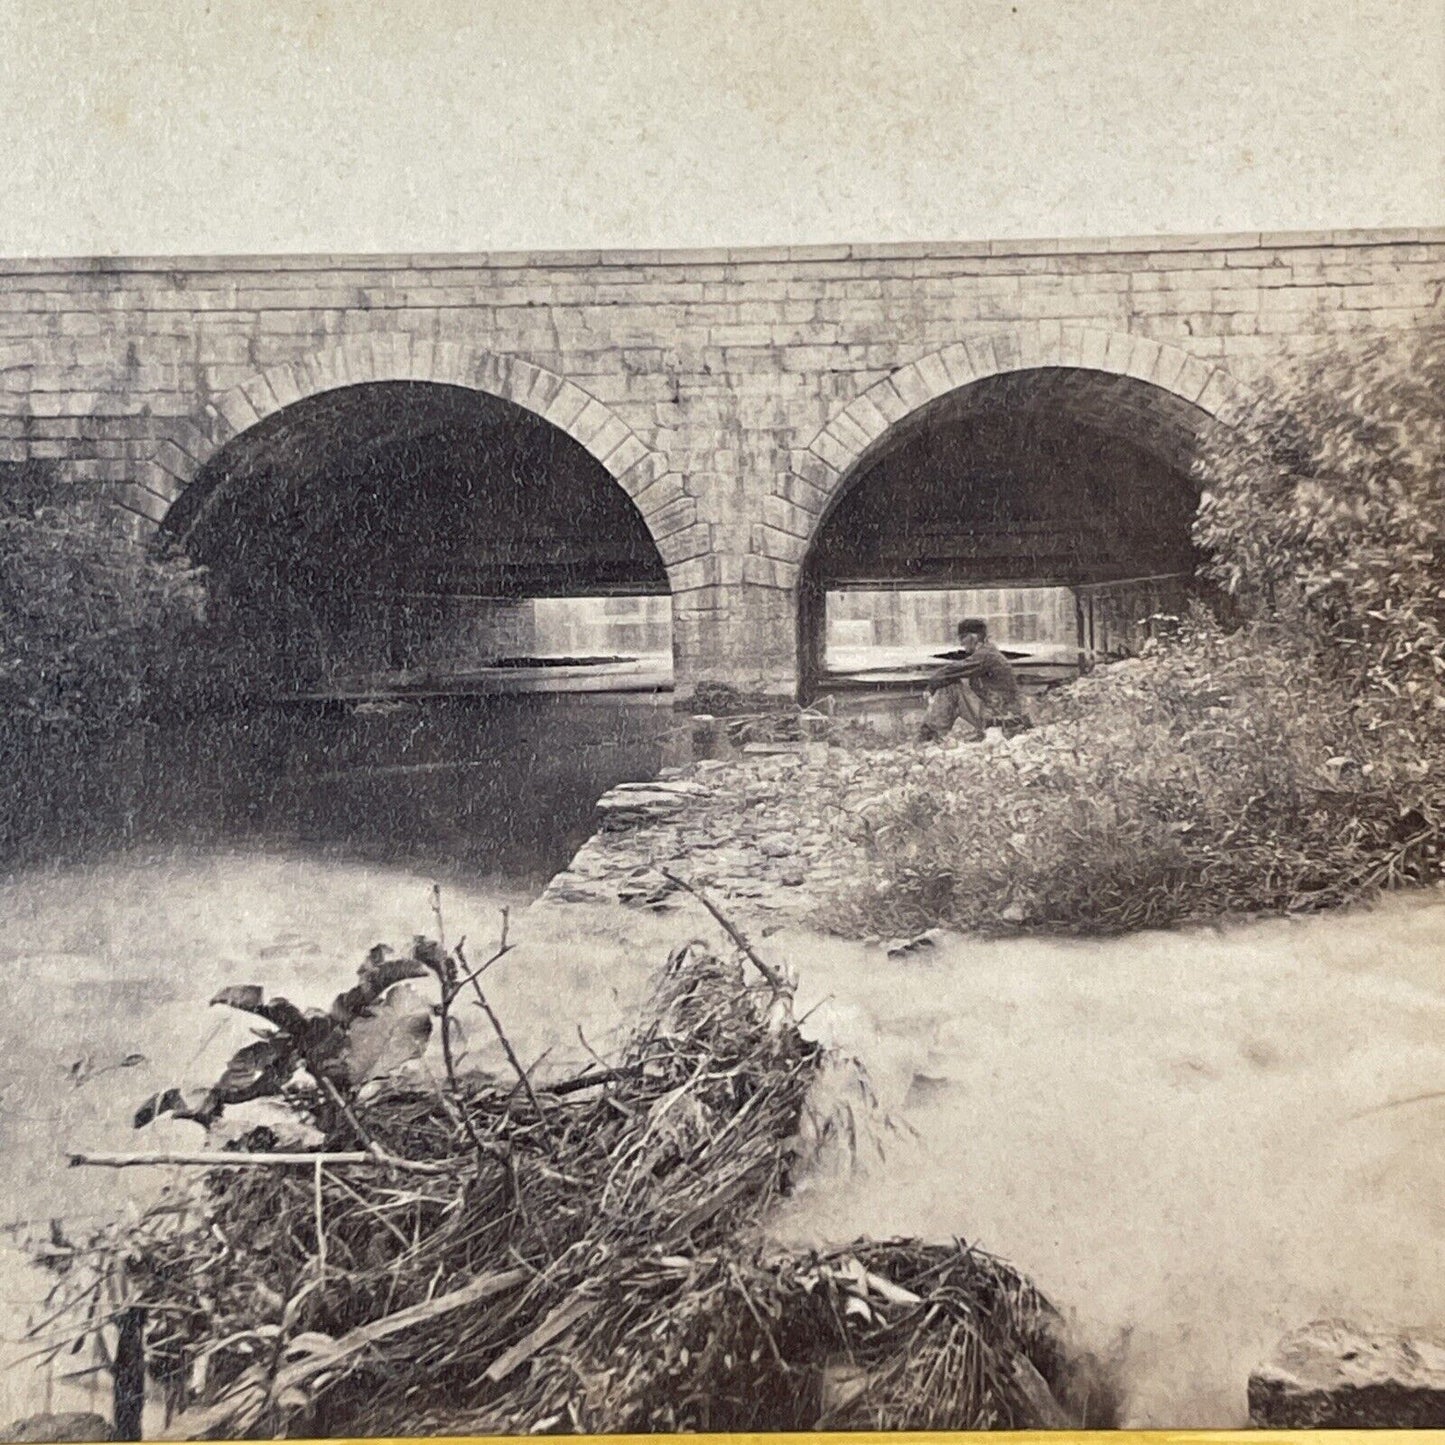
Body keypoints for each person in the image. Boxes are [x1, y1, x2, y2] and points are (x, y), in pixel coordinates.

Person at [918, 617, 1032, 742]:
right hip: (1006, 717)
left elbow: (952, 670)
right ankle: (933, 735)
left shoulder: (986, 655)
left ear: (974, 637)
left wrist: (931, 687)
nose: (961, 643)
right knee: (953, 684)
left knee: (951, 689)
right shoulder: (989, 653)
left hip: (1004, 721)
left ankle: (930, 737)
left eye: (963, 638)